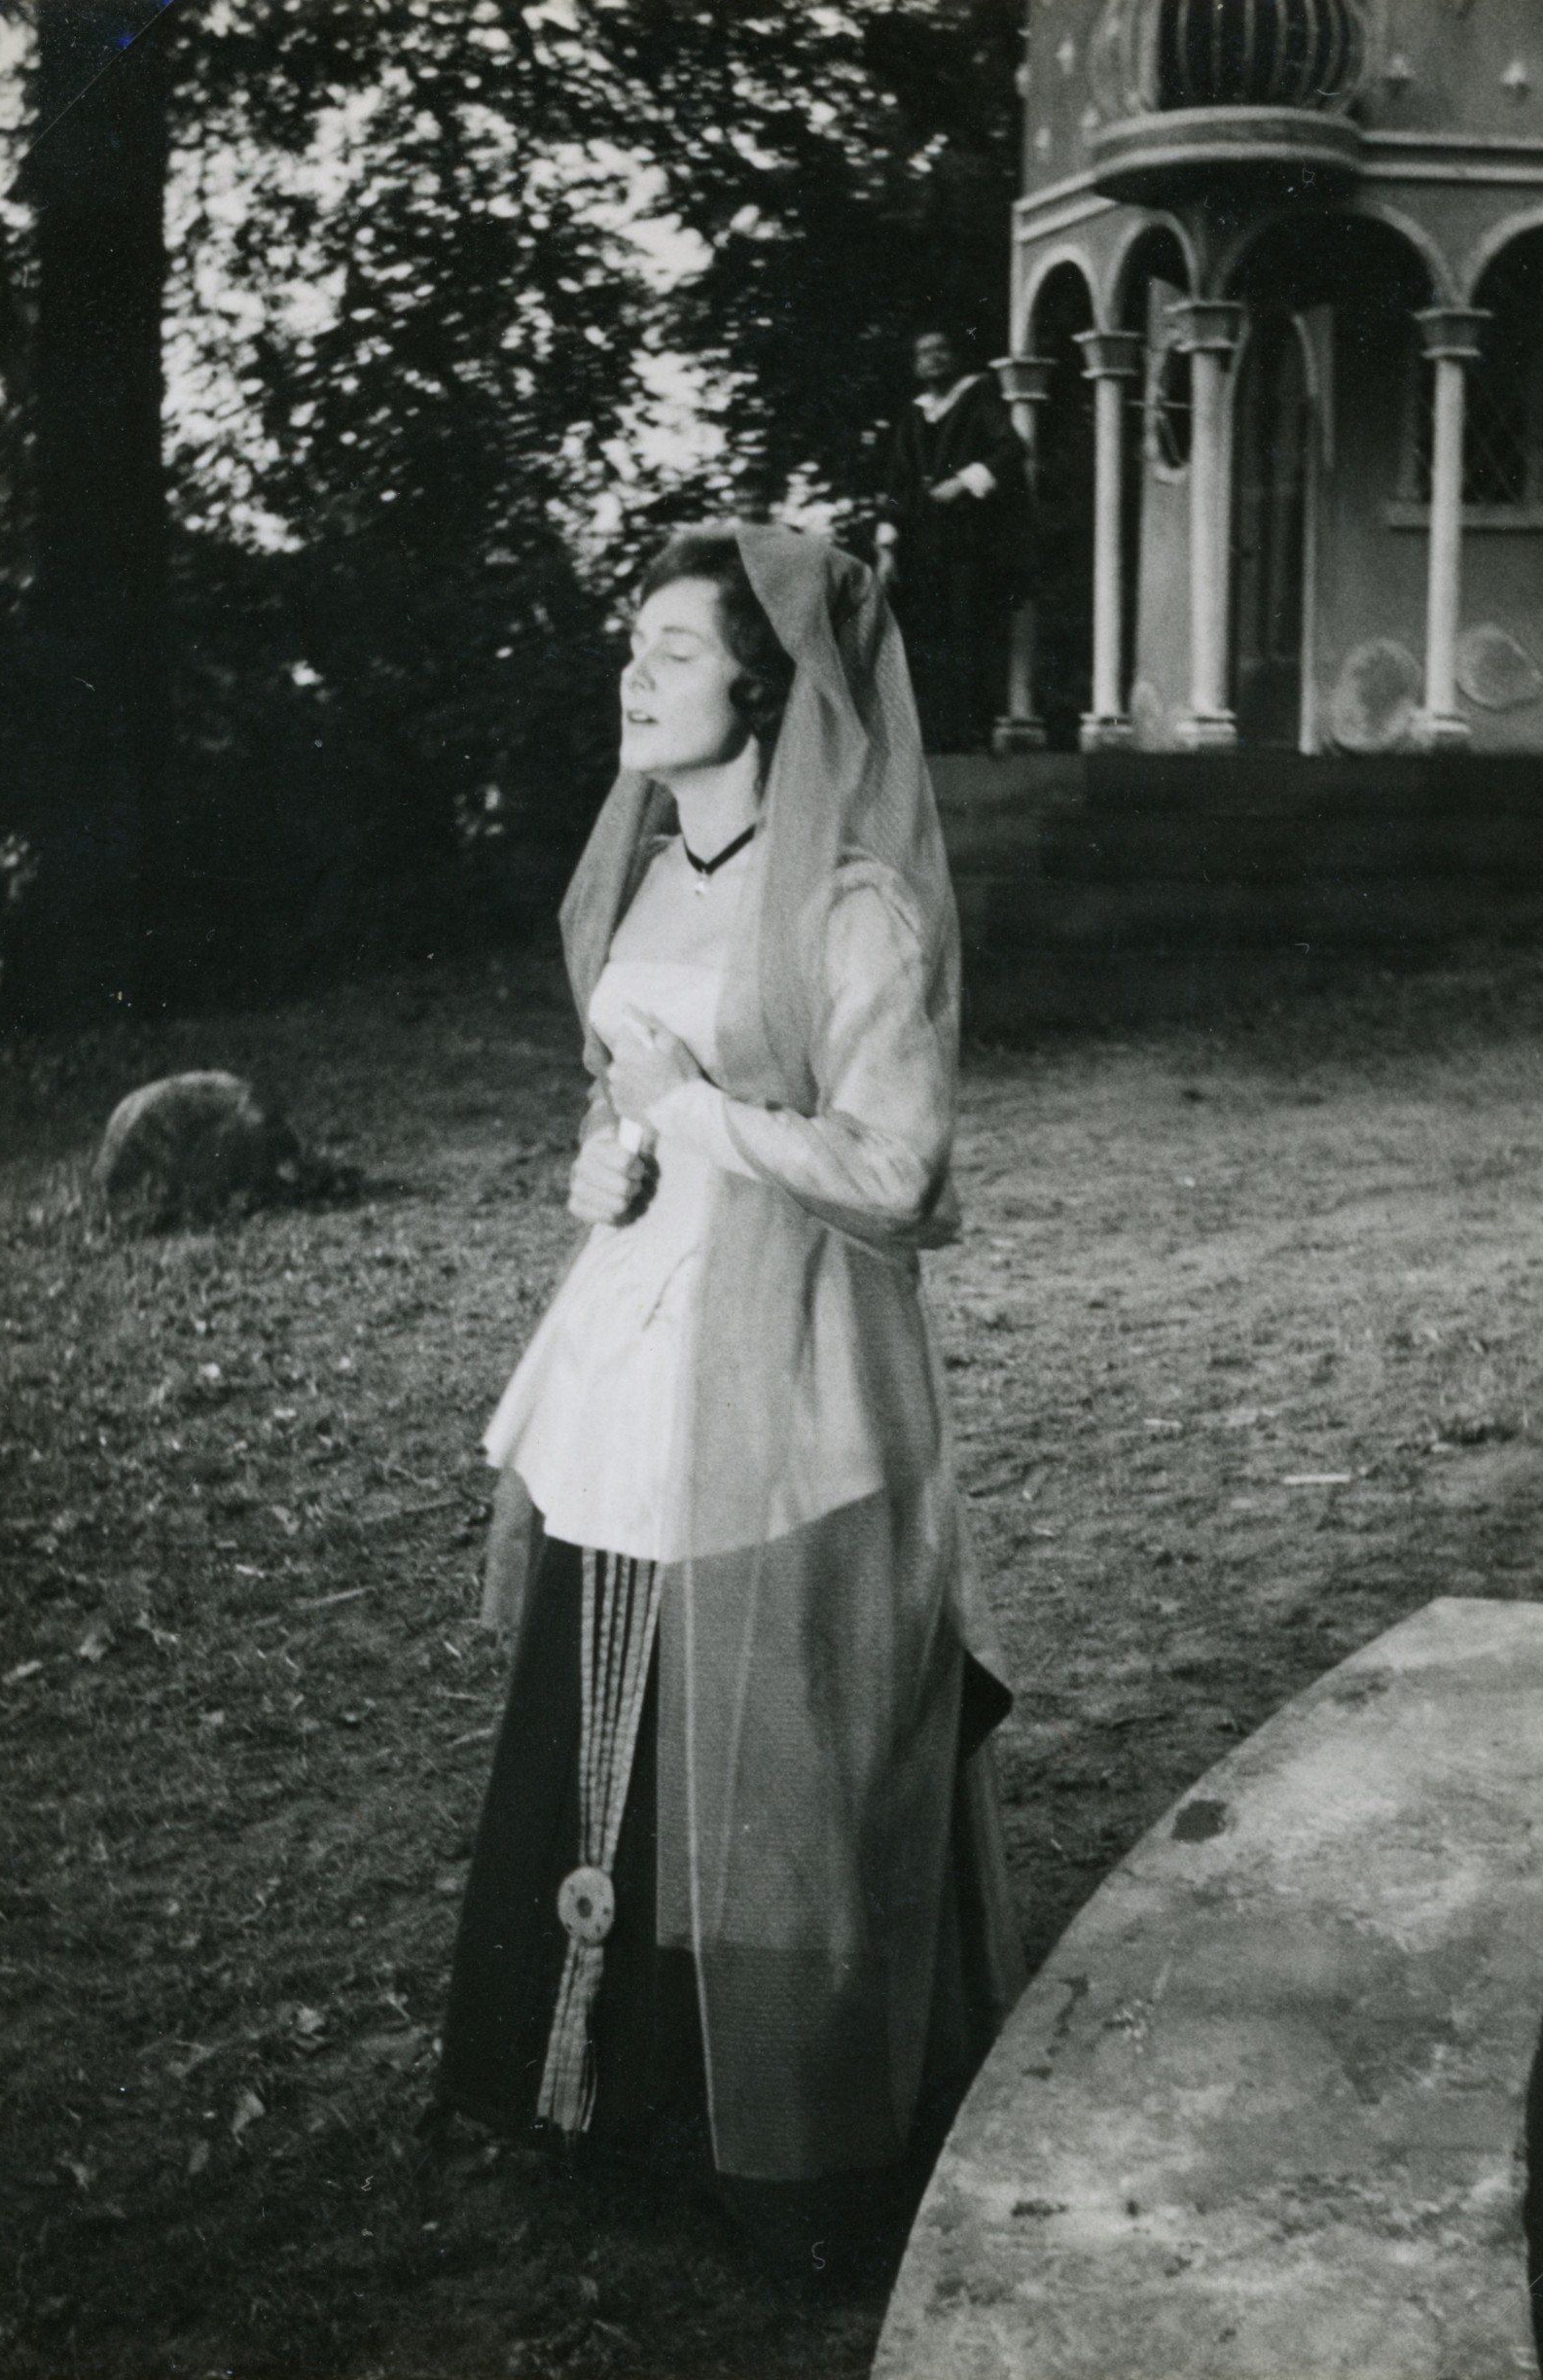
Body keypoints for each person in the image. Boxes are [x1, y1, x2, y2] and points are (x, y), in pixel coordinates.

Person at [436, 521, 1024, 2288]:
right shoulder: (640, 881)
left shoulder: (853, 904)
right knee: (609, 1696)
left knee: (770, 1746)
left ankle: (779, 2124)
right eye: (633, 644)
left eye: (675, 651)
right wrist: (603, 1161)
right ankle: (598, 2086)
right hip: (633, 1347)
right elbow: (615, 1097)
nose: (635, 673)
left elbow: (900, 1171)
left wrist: (692, 1111)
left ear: (765, 688)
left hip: (786, 1368)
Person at [876, 329, 1034, 753]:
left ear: (956, 357)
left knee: (967, 630)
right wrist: (886, 547)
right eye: (924, 352)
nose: (934, 358)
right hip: (920, 541)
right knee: (926, 634)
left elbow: (1012, 449)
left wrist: (963, 482)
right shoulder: (914, 414)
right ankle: (933, 737)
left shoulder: (979, 396)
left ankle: (971, 736)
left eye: (941, 350)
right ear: (916, 365)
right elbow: (897, 482)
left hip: (970, 538)